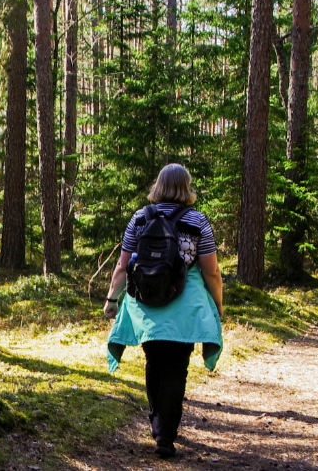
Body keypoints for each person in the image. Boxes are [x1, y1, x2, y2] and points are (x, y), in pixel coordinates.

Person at [103, 163, 224, 459]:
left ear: (158, 185)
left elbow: (123, 265)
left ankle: (157, 424)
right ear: (186, 187)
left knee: (154, 361)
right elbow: (211, 271)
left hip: (146, 303)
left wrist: (111, 299)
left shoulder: (140, 218)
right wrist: (218, 306)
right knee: (176, 367)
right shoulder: (197, 220)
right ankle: (165, 435)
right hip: (185, 306)